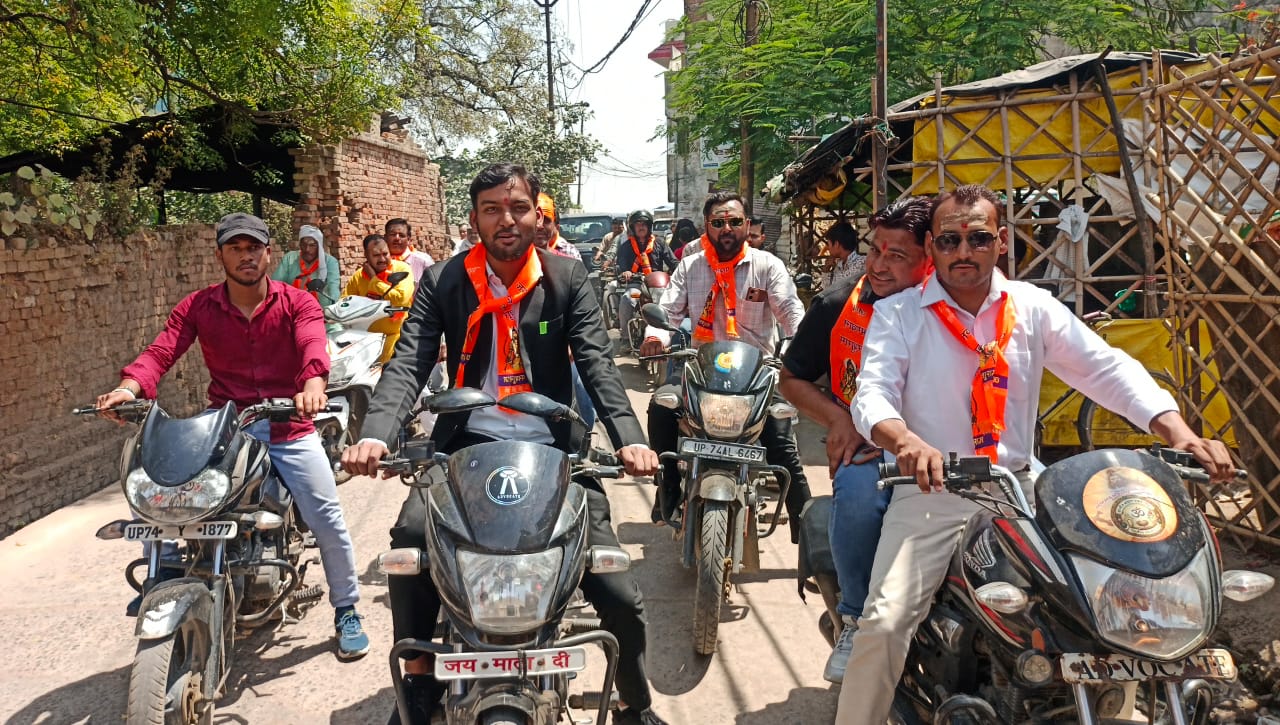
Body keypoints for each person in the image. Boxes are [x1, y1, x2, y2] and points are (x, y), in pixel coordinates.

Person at [836, 184, 1236, 724]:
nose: (963, 251)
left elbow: (1105, 370)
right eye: (949, 239)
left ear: (1000, 242)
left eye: (977, 238)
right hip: (933, 492)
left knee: (1102, 608)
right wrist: (905, 440)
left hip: (1021, 489)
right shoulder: (900, 315)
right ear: (931, 247)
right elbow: (874, 391)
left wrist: (1177, 431)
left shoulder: (1033, 307)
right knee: (884, 623)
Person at [341, 163, 669, 725]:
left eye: (518, 207)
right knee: (413, 543)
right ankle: (419, 682)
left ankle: (633, 701)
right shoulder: (444, 282)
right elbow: (409, 363)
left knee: (615, 586)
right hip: (463, 448)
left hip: (554, 453)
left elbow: (597, 365)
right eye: (492, 209)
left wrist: (630, 441)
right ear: (474, 221)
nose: (507, 219)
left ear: (537, 214)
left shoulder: (568, 279)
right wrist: (375, 434)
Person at [95, 212, 369, 659]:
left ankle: (346, 609)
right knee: (161, 491)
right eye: (236, 248)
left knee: (327, 516)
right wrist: (128, 388)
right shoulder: (198, 306)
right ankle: (161, 575)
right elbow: (162, 351)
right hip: (227, 429)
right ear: (220, 254)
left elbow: (311, 344)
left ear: (267, 253)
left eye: (254, 248)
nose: (246, 256)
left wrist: (313, 384)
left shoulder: (296, 302)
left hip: (289, 425)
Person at [776, 197, 934, 684]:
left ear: (929, 257)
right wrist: (837, 419)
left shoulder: (950, 303)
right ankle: (853, 617)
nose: (880, 266)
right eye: (875, 251)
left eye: (896, 255)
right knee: (860, 501)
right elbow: (791, 379)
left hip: (946, 445)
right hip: (870, 446)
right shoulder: (836, 303)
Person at [639, 191, 811, 539]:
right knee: (661, 406)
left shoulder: (767, 266)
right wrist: (656, 336)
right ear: (708, 227)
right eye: (718, 222)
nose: (727, 228)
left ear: (747, 225)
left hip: (757, 374)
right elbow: (669, 311)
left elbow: (791, 311)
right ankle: (668, 485)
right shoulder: (691, 266)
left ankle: (811, 536)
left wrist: (800, 342)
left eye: (734, 221)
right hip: (703, 374)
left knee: (782, 443)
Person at [343, 233, 415, 363]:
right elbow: (345, 303)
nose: (382, 259)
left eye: (385, 254)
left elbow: (400, 299)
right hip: (365, 340)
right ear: (366, 256)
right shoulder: (358, 276)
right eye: (376, 255)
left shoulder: (402, 269)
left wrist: (374, 280)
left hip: (397, 337)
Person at [615, 209, 677, 354]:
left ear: (649, 226)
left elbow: (673, 261)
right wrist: (626, 271)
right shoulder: (626, 246)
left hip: (657, 286)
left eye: (644, 224)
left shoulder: (660, 243)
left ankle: (673, 335)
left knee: (672, 304)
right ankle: (625, 338)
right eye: (638, 224)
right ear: (633, 227)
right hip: (637, 286)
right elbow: (622, 264)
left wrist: (679, 270)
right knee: (627, 299)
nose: (641, 227)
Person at [272, 224, 341, 306]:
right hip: (291, 309)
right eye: (304, 245)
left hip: (320, 311)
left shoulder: (330, 262)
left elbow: (334, 294)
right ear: (300, 245)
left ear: (319, 246)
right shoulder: (289, 258)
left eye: (312, 245)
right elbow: (275, 286)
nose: (307, 249)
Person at [533, 192, 583, 261]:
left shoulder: (569, 260)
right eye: (535, 220)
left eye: (546, 221)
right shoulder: (514, 256)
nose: (540, 226)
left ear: (556, 227)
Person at [385, 218, 435, 283]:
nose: (397, 238)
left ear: (408, 239)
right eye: (393, 234)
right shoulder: (379, 262)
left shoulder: (423, 262)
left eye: (401, 235)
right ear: (385, 238)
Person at [823, 220, 866, 289]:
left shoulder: (863, 264)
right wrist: (826, 270)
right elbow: (827, 291)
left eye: (829, 244)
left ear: (836, 244)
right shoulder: (838, 266)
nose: (828, 248)